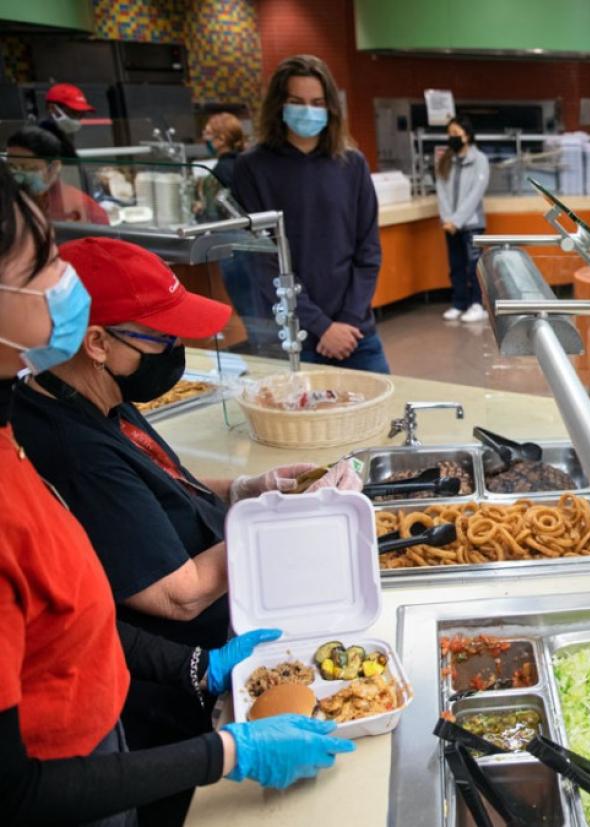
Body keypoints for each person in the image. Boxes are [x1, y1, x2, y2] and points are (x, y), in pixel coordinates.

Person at [0, 170, 353, 825]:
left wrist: (252, 489)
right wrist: (222, 753)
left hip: (119, 720)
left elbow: (83, 602)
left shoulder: (67, 416)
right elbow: (16, 790)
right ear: (99, 343)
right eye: (46, 262)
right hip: (87, 774)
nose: (63, 283)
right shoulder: (61, 447)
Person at [232, 54, 389, 372]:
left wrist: (345, 322)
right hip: (293, 334)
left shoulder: (352, 164)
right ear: (279, 105)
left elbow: (368, 252)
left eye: (317, 102)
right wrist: (321, 326)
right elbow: (263, 263)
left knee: (382, 417)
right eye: (297, 101)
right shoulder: (253, 167)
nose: (308, 110)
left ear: (330, 107)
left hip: (355, 331)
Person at [197, 113, 258, 333]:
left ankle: (260, 348)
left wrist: (200, 211)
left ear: (221, 139)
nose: (204, 137)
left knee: (248, 308)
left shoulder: (218, 172)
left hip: (233, 247)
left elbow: (213, 214)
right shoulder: (248, 164)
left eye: (208, 133)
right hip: (256, 243)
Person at [435, 117, 490, 323]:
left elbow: (476, 194)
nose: (452, 138)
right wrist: (447, 219)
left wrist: (457, 220)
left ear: (467, 136)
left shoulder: (480, 160)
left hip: (471, 224)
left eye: (456, 133)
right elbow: (441, 191)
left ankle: (478, 304)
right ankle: (459, 303)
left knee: (474, 265)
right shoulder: (445, 160)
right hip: (450, 225)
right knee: (456, 264)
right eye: (449, 134)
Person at [6, 126, 109, 225]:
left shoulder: (80, 206)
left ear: (54, 168)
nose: (18, 175)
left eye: (28, 168)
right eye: (12, 167)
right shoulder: (9, 199)